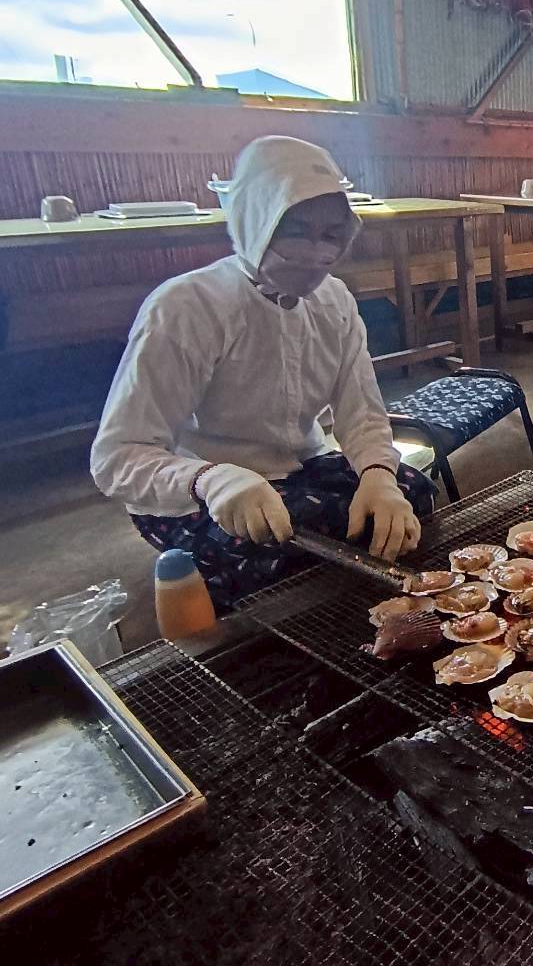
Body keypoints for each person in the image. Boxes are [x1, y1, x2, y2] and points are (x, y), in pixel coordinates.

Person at [91, 136, 433, 611]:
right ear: (256, 221)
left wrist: (379, 476)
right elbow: (117, 458)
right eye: (295, 230)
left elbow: (362, 414)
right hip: (194, 489)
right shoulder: (188, 307)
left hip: (296, 469)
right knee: (280, 544)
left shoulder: (334, 301)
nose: (316, 251)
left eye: (332, 234)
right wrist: (211, 480)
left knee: (410, 494)